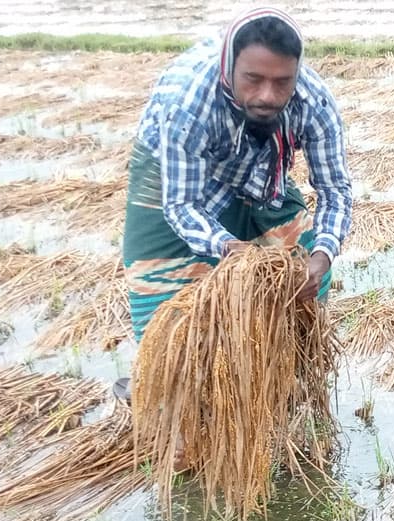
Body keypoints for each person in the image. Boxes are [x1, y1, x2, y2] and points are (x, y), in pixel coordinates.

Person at [114, 6, 352, 403]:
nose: (266, 96)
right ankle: (161, 395)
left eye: (282, 82)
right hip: (171, 174)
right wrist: (228, 248)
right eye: (253, 79)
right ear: (229, 67)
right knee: (166, 302)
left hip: (257, 169)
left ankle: (275, 381)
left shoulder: (314, 103)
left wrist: (323, 256)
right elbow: (183, 205)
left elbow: (336, 192)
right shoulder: (188, 103)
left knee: (302, 272)